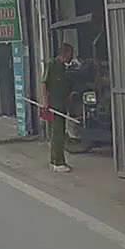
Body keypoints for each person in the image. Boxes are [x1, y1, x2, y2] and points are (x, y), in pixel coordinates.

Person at [42, 43, 75, 172]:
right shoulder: (52, 64)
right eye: (70, 54)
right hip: (54, 105)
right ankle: (58, 162)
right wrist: (45, 102)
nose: (72, 57)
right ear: (65, 53)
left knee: (59, 133)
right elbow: (44, 83)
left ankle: (55, 161)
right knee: (57, 135)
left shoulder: (64, 67)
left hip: (62, 104)